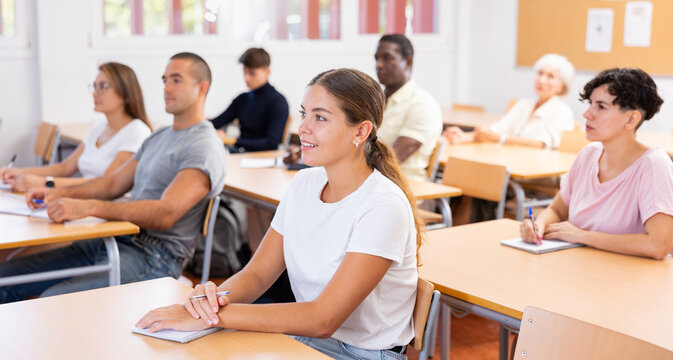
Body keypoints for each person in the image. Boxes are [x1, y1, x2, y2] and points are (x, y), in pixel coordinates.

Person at [137, 68, 423, 360]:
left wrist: (211, 317)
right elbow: (258, 275)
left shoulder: (382, 206)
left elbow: (322, 319)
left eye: (320, 117)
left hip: (361, 354)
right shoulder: (304, 183)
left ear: (361, 131)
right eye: (304, 114)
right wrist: (209, 302)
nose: (304, 128)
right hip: (304, 341)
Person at [0, 52, 227, 303]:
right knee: (5, 275)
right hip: (115, 240)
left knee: (55, 300)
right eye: (164, 80)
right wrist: (57, 193)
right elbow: (112, 183)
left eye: (176, 80)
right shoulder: (159, 136)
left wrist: (88, 207)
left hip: (155, 256)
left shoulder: (203, 146)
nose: (167, 88)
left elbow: (166, 213)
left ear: (202, 88)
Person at [520, 68, 673, 260]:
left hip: (631, 280)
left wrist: (582, 236)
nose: (587, 114)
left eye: (601, 107)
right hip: (583, 267)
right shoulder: (588, 155)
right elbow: (557, 210)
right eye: (590, 104)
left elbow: (658, 245)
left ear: (631, 119)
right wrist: (539, 225)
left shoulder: (653, 164)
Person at [0, 62, 152, 192]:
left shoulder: (136, 133)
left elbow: (107, 183)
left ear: (126, 93)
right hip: (85, 201)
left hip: (109, 209)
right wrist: (19, 172)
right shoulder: (99, 127)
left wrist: (45, 183)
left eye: (103, 87)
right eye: (94, 87)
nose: (95, 94)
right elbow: (65, 168)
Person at [444, 53, 575, 149]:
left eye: (550, 76)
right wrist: (465, 136)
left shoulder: (562, 111)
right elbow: (498, 130)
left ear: (561, 87)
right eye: (540, 73)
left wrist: (502, 139)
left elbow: (541, 144)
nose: (541, 80)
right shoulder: (524, 104)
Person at [375, 34, 442, 181]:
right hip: (371, 179)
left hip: (400, 184)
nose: (379, 65)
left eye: (387, 58)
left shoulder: (423, 104)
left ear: (408, 62)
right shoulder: (376, 100)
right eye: (377, 58)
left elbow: (393, 158)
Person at [211, 47, 289, 152]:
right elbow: (217, 122)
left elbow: (271, 143)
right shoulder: (242, 99)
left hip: (262, 158)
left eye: (252, 73)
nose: (246, 78)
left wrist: (232, 140)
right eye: (244, 72)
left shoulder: (278, 101)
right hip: (239, 154)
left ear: (267, 71)